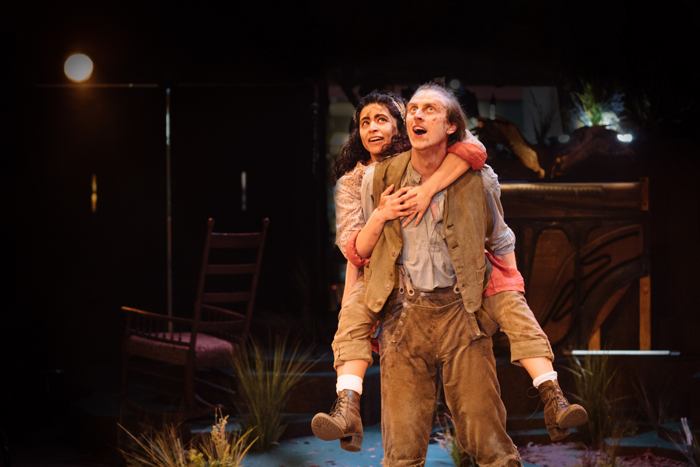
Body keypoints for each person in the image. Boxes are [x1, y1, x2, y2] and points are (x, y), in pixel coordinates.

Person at [312, 90, 488, 453]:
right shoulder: (355, 180)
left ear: (400, 126)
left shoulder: (422, 161)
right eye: (364, 122)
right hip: (375, 270)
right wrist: (380, 214)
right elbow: (353, 250)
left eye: (381, 119)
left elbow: (474, 152)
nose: (372, 128)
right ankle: (348, 414)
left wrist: (428, 190)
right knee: (350, 334)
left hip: (433, 281)